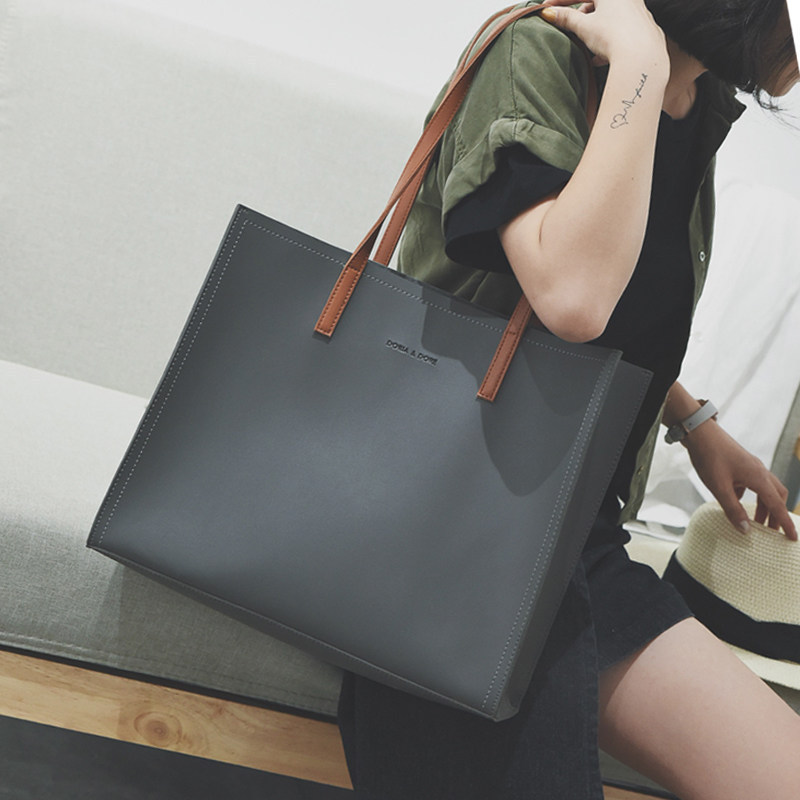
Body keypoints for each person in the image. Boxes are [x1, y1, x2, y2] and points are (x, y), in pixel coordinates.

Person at [337, 1, 800, 797]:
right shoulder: (542, 52)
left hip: (567, 532)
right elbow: (574, 297)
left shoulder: (699, 102)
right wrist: (639, 71)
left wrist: (691, 420)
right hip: (447, 525)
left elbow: (610, 310)